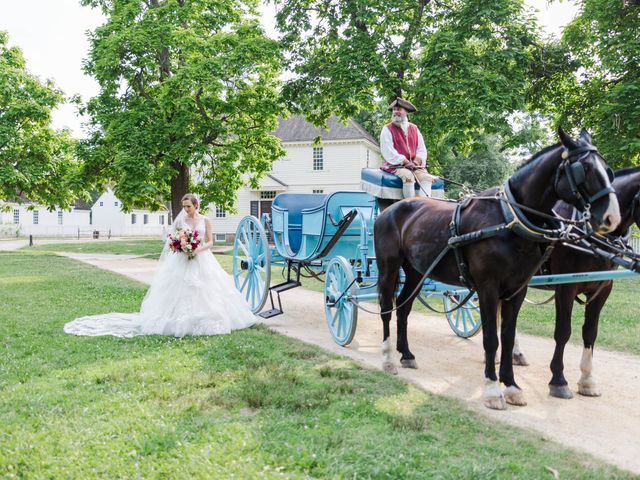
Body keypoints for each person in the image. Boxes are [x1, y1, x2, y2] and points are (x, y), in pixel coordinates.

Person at [64, 194, 256, 337]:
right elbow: (173, 237)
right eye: (184, 206)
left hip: (201, 258)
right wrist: (181, 246)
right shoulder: (181, 220)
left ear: (196, 205)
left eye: (188, 206)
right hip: (182, 259)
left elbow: (210, 242)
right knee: (178, 289)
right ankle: (175, 320)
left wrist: (196, 250)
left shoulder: (205, 220)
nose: (186, 209)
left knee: (206, 288)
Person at [380, 97, 436, 198]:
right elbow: (388, 151)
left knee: (427, 178)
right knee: (408, 176)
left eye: (399, 109)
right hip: (396, 166)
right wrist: (405, 162)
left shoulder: (414, 128)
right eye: (394, 109)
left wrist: (415, 162)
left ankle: (423, 206)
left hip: (414, 165)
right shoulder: (387, 129)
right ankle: (410, 207)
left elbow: (421, 149)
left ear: (406, 112)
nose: (396, 112)